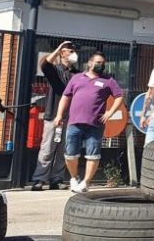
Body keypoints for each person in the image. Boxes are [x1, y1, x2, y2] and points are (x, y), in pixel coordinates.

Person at [53, 52, 123, 193]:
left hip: (95, 125)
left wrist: (110, 112)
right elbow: (65, 97)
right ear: (89, 64)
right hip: (74, 122)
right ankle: (74, 178)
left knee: (93, 154)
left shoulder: (108, 81)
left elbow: (119, 96)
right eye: (98, 62)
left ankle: (86, 183)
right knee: (70, 154)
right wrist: (59, 115)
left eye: (103, 63)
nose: (101, 65)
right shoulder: (76, 78)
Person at [31, 41, 78, 190]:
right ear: (63, 53)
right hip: (53, 116)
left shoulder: (77, 75)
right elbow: (45, 64)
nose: (72, 53)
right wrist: (58, 49)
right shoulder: (55, 70)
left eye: (73, 51)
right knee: (47, 148)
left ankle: (56, 179)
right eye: (69, 51)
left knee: (63, 150)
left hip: (70, 117)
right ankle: (39, 179)